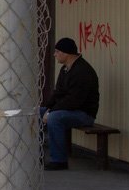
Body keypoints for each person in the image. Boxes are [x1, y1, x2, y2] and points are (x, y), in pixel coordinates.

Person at [40, 37, 100, 171]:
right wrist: (47, 108)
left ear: (66, 53)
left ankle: (59, 160)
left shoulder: (82, 72)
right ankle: (37, 154)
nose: (55, 54)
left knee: (54, 118)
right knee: (37, 113)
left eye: (57, 51)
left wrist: (51, 112)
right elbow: (58, 93)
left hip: (84, 114)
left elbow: (74, 101)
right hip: (68, 110)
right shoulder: (65, 69)